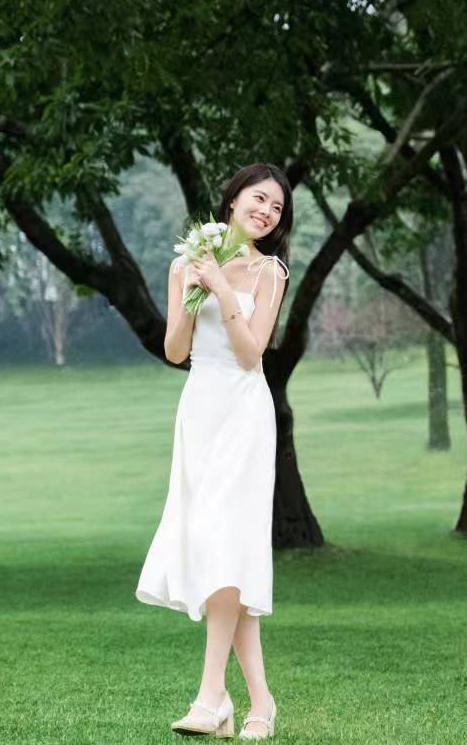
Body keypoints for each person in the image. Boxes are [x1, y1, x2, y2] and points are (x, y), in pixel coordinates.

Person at [136, 163, 292, 740]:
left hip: (244, 413)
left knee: (225, 543)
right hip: (199, 410)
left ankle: (209, 697)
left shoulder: (270, 272)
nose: (267, 212)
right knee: (222, 552)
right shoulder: (186, 263)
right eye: (259, 199)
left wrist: (224, 290)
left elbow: (251, 355)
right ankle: (260, 704)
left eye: (277, 208)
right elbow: (176, 350)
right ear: (232, 200)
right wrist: (195, 286)